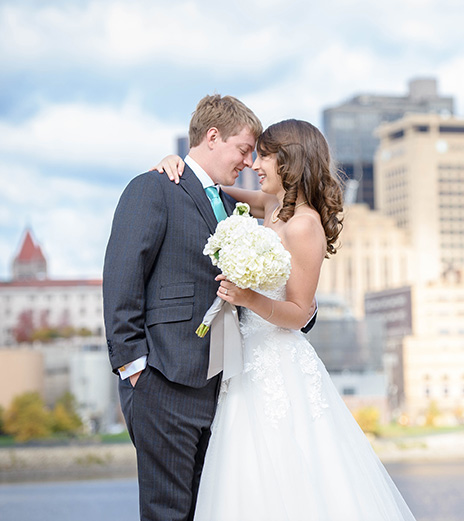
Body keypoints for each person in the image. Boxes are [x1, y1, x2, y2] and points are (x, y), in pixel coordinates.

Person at [156, 119, 417, 520]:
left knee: (290, 474)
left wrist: (247, 297)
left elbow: (298, 312)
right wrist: (179, 165)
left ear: (290, 160)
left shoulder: (304, 225)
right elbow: (213, 191)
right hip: (245, 364)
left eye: (263, 156)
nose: (254, 164)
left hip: (279, 362)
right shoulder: (272, 206)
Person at [103, 94, 269, 521]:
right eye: (243, 149)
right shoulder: (153, 187)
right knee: (167, 513)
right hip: (164, 382)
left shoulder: (234, 207)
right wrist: (135, 369)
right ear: (213, 137)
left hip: (221, 388)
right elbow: (122, 278)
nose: (248, 162)